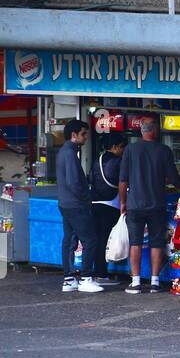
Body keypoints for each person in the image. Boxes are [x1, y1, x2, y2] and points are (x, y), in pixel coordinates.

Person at [118, 117, 180, 294]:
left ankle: (135, 282)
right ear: (154, 130)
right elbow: (173, 177)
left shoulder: (130, 149)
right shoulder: (163, 150)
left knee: (135, 243)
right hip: (156, 204)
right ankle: (155, 282)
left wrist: (123, 202)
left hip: (134, 204)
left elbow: (123, 181)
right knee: (157, 243)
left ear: (142, 130)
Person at [56, 119, 104, 293]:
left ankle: (69, 279)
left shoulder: (64, 152)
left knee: (69, 240)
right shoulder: (70, 154)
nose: (86, 138)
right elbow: (74, 182)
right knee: (90, 240)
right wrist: (86, 198)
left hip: (66, 203)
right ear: (73, 135)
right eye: (83, 134)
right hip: (76, 205)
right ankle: (85, 278)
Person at [88, 132, 126, 287]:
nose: (124, 150)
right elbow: (123, 182)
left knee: (97, 240)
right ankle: (101, 274)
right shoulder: (118, 162)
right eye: (123, 147)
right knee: (105, 239)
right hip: (110, 204)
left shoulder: (98, 159)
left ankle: (96, 272)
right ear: (115, 147)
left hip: (94, 202)